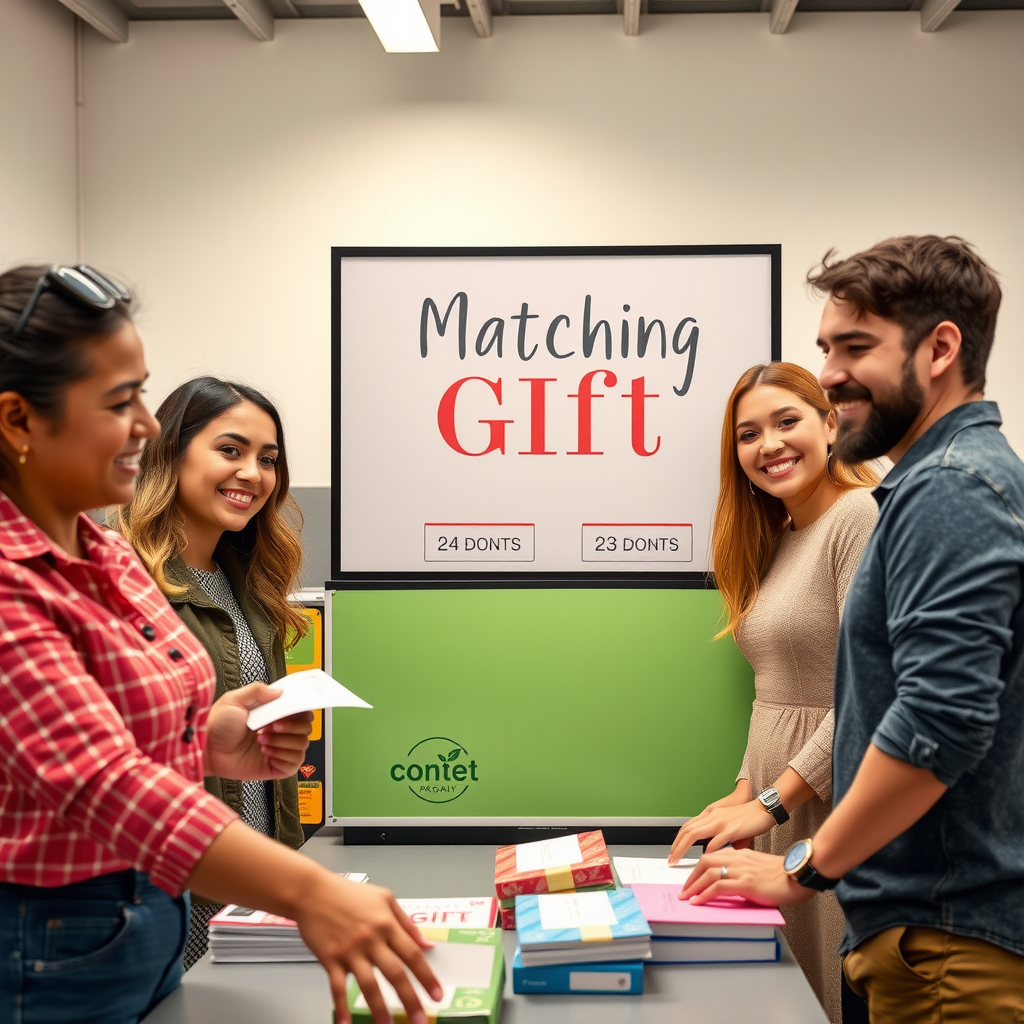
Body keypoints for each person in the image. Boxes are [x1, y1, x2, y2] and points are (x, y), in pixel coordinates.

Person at [0, 264, 440, 1024]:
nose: (143, 425)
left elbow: (126, 738)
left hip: (150, 919)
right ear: (17, 421)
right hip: (52, 939)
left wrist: (208, 737)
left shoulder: (98, 559)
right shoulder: (14, 579)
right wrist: (312, 892)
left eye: (142, 394)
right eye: (117, 402)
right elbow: (97, 779)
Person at [682, 235, 1024, 1023]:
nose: (832, 373)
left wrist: (803, 865)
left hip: (943, 939)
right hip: (914, 928)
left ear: (942, 348)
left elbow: (935, 722)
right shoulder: (928, 487)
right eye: (826, 348)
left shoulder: (949, 490)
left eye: (856, 347)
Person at [668, 361, 877, 1023]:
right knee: (789, 995)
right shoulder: (779, 537)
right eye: (749, 433)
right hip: (778, 795)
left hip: (835, 798)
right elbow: (777, 688)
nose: (770, 444)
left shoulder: (858, 517)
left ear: (829, 422)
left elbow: (866, 697)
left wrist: (768, 802)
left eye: (787, 421)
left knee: (834, 998)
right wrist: (740, 790)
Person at [115, 376, 308, 970]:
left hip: (252, 869)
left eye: (267, 459)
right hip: (172, 885)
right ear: (169, 453)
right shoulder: (121, 579)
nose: (252, 472)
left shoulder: (249, 586)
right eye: (230, 450)